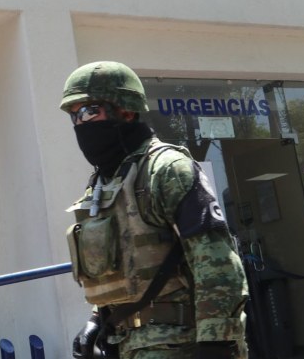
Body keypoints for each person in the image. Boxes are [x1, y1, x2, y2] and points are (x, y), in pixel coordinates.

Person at [61, 61, 248, 359]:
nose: (81, 123)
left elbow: (218, 262)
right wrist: (97, 320)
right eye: (74, 116)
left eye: (88, 111)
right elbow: (125, 268)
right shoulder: (105, 182)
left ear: (126, 111)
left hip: (180, 344)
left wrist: (217, 342)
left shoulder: (167, 170)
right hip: (126, 344)